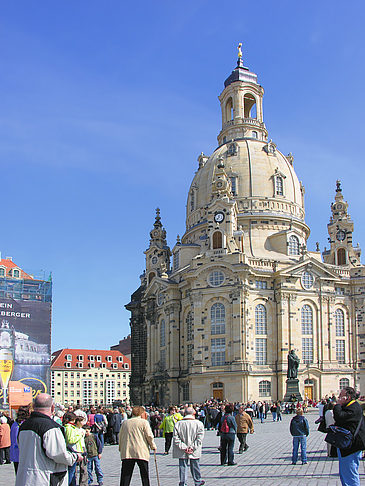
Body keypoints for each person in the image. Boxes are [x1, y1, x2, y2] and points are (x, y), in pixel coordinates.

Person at [16, 393, 82, 486]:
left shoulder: (23, 426)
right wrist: (74, 457)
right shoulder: (51, 428)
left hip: (25, 478)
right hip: (44, 478)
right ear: (52, 407)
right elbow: (58, 454)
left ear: (34, 406)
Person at [333, 386, 365, 486]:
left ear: (348, 397)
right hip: (347, 445)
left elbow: (339, 417)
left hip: (351, 446)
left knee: (350, 474)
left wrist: (337, 405)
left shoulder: (353, 408)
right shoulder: (350, 407)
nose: (338, 398)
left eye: (341, 396)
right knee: (345, 473)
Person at [119, 405, 156, 486]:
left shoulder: (125, 423)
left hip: (127, 451)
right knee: (144, 475)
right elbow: (149, 436)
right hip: (141, 451)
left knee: (126, 475)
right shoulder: (144, 422)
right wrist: (153, 446)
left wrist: (120, 448)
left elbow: (120, 436)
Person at [173, 406, 205, 486]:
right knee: (195, 465)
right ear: (194, 413)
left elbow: (176, 438)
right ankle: (197, 481)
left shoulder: (178, 424)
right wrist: (192, 447)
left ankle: (183, 482)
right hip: (194, 449)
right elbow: (199, 438)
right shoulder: (199, 423)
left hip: (182, 450)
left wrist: (184, 447)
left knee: (183, 466)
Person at [64, 411, 85, 486]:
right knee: (71, 472)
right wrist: (80, 435)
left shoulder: (70, 427)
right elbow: (70, 440)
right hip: (73, 451)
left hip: (75, 450)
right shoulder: (69, 427)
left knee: (73, 472)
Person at [10, 405, 31, 474]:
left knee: (19, 476)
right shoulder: (26, 424)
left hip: (15, 454)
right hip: (25, 454)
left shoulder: (15, 424)